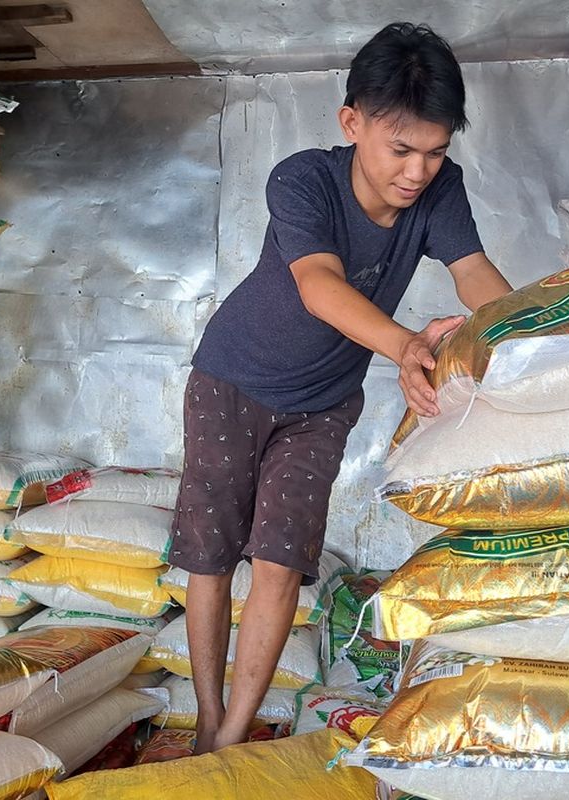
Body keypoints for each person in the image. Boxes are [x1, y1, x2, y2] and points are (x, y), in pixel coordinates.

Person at [165, 21, 513, 753]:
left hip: (322, 403)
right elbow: (318, 284)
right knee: (210, 551)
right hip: (232, 379)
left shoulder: (439, 190)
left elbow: (474, 273)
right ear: (352, 123)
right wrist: (404, 345)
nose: (417, 172)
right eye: (401, 149)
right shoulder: (303, 180)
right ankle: (202, 715)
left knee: (282, 558)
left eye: (435, 151)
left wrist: (534, 333)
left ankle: (230, 734)